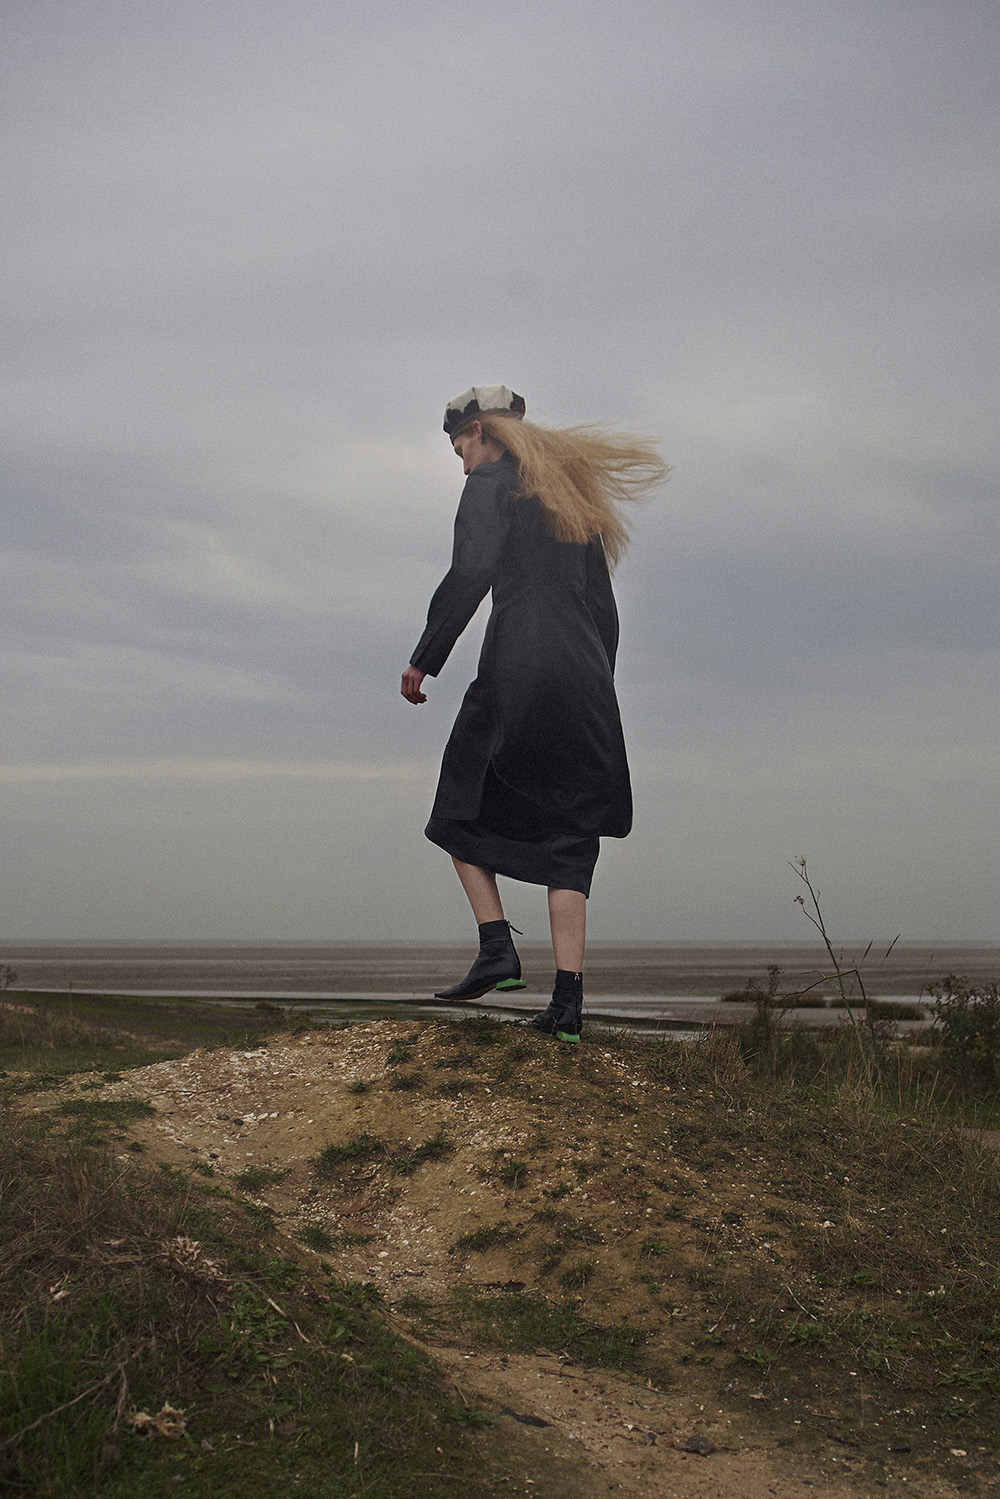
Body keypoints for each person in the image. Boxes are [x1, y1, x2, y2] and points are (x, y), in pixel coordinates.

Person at [401, 385, 666, 1042]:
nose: (462, 462)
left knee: (457, 799)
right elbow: (603, 609)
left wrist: (425, 659)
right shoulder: (572, 496)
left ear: (481, 433)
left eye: (460, 448)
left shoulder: (489, 485)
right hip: (584, 676)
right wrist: (597, 683)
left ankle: (497, 946)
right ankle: (567, 1006)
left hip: (518, 665)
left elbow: (469, 574)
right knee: (572, 833)